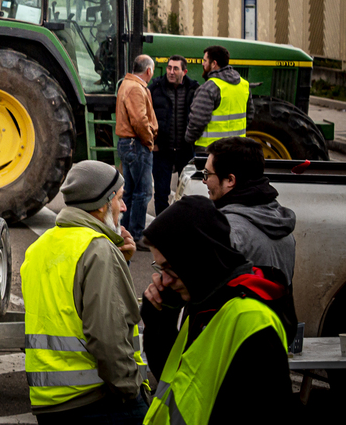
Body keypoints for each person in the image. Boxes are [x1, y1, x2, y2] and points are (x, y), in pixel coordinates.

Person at [140, 196, 295, 422]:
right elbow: (174, 380)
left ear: (195, 260)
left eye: (169, 268)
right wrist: (158, 318)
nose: (163, 280)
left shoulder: (250, 320)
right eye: (159, 267)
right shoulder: (205, 302)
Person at [20, 162, 148, 424]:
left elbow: (66, 307)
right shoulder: (98, 250)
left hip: (51, 401)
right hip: (98, 399)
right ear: (102, 204)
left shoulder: (40, 247)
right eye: (120, 199)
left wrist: (120, 262)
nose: (123, 208)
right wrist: (131, 388)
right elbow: (107, 335)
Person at [203, 136, 297, 286]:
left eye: (208, 174)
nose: (204, 180)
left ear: (230, 180)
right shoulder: (284, 229)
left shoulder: (226, 232)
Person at [148, 55, 198, 215]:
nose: (170, 72)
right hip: (162, 150)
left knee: (186, 194)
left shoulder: (194, 89)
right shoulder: (155, 88)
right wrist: (152, 141)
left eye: (175, 68)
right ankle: (162, 229)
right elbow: (146, 116)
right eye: (169, 68)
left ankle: (181, 227)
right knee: (161, 194)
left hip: (185, 150)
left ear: (184, 71)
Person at [115, 54, 157, 243]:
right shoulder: (135, 88)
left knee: (131, 191)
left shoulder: (126, 84)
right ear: (148, 71)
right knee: (143, 192)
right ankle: (136, 235)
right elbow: (140, 120)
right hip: (136, 144)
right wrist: (149, 140)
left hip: (129, 144)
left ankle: (126, 231)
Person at [185, 45, 251, 154]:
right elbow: (249, 114)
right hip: (237, 148)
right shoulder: (244, 85)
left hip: (211, 150)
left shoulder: (209, 88)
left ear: (214, 64)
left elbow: (197, 121)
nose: (202, 63)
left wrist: (189, 139)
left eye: (205, 60)